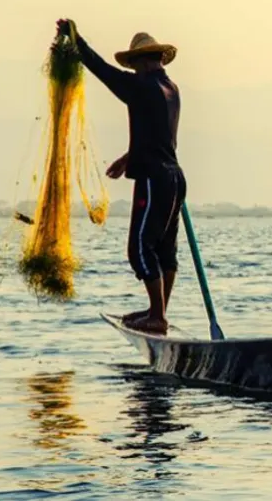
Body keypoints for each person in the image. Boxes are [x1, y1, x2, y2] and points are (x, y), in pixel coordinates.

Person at [56, 19, 186, 335]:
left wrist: (77, 42)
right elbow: (160, 134)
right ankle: (158, 312)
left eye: (135, 64)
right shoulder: (170, 89)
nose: (134, 70)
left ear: (142, 62)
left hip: (155, 179)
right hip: (174, 177)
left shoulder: (142, 86)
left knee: (140, 248)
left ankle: (157, 316)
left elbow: (103, 71)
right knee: (165, 251)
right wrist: (130, 157)